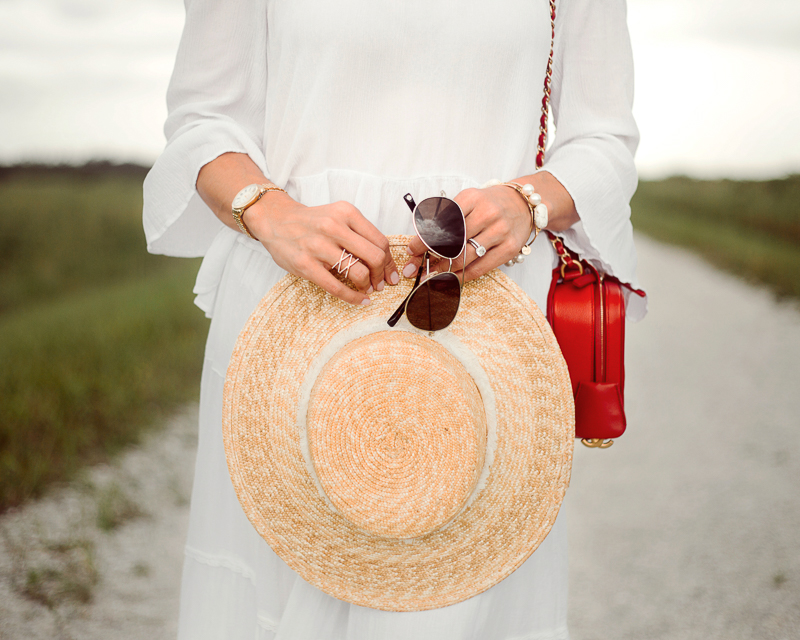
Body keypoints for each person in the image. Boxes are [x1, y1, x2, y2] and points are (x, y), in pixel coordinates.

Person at [143, 0, 645, 637]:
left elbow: (603, 142)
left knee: (456, 601)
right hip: (291, 304)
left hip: (485, 317)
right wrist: (274, 215)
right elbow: (203, 121)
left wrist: (527, 203)